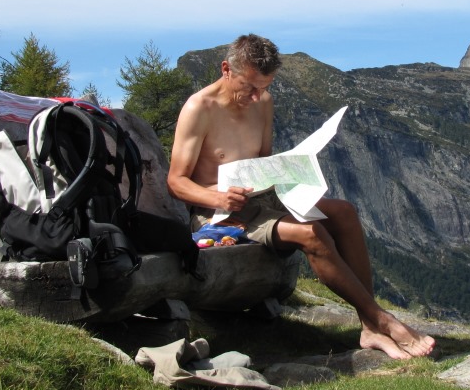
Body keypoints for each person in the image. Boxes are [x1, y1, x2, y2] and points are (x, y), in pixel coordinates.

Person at [167, 34, 436, 359]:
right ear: (226, 69)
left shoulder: (263, 102)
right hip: (219, 213)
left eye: (264, 87)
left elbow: (263, 163)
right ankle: (383, 320)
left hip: (260, 199)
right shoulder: (199, 108)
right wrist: (219, 198)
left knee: (345, 212)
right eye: (249, 87)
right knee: (311, 233)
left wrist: (290, 175)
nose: (256, 96)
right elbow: (176, 182)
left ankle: (368, 327)